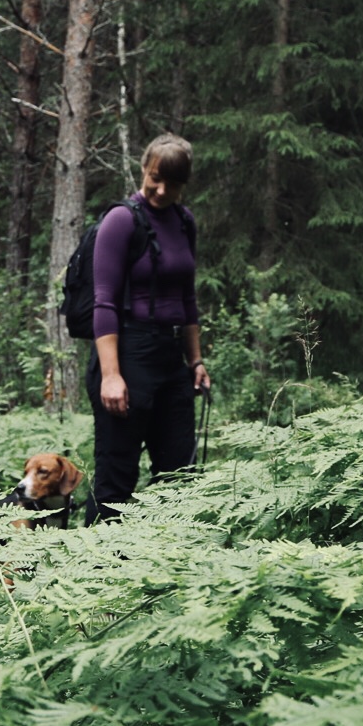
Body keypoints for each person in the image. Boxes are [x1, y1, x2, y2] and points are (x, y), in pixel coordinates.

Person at [87, 134, 213, 523]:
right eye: (155, 178)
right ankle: (93, 572)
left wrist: (195, 361)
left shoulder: (183, 222)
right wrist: (111, 375)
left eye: (172, 184)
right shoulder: (121, 220)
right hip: (128, 353)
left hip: (171, 358)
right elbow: (104, 301)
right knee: (116, 475)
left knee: (180, 474)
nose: (161, 189)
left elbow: (187, 299)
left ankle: (164, 570)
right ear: (144, 168)